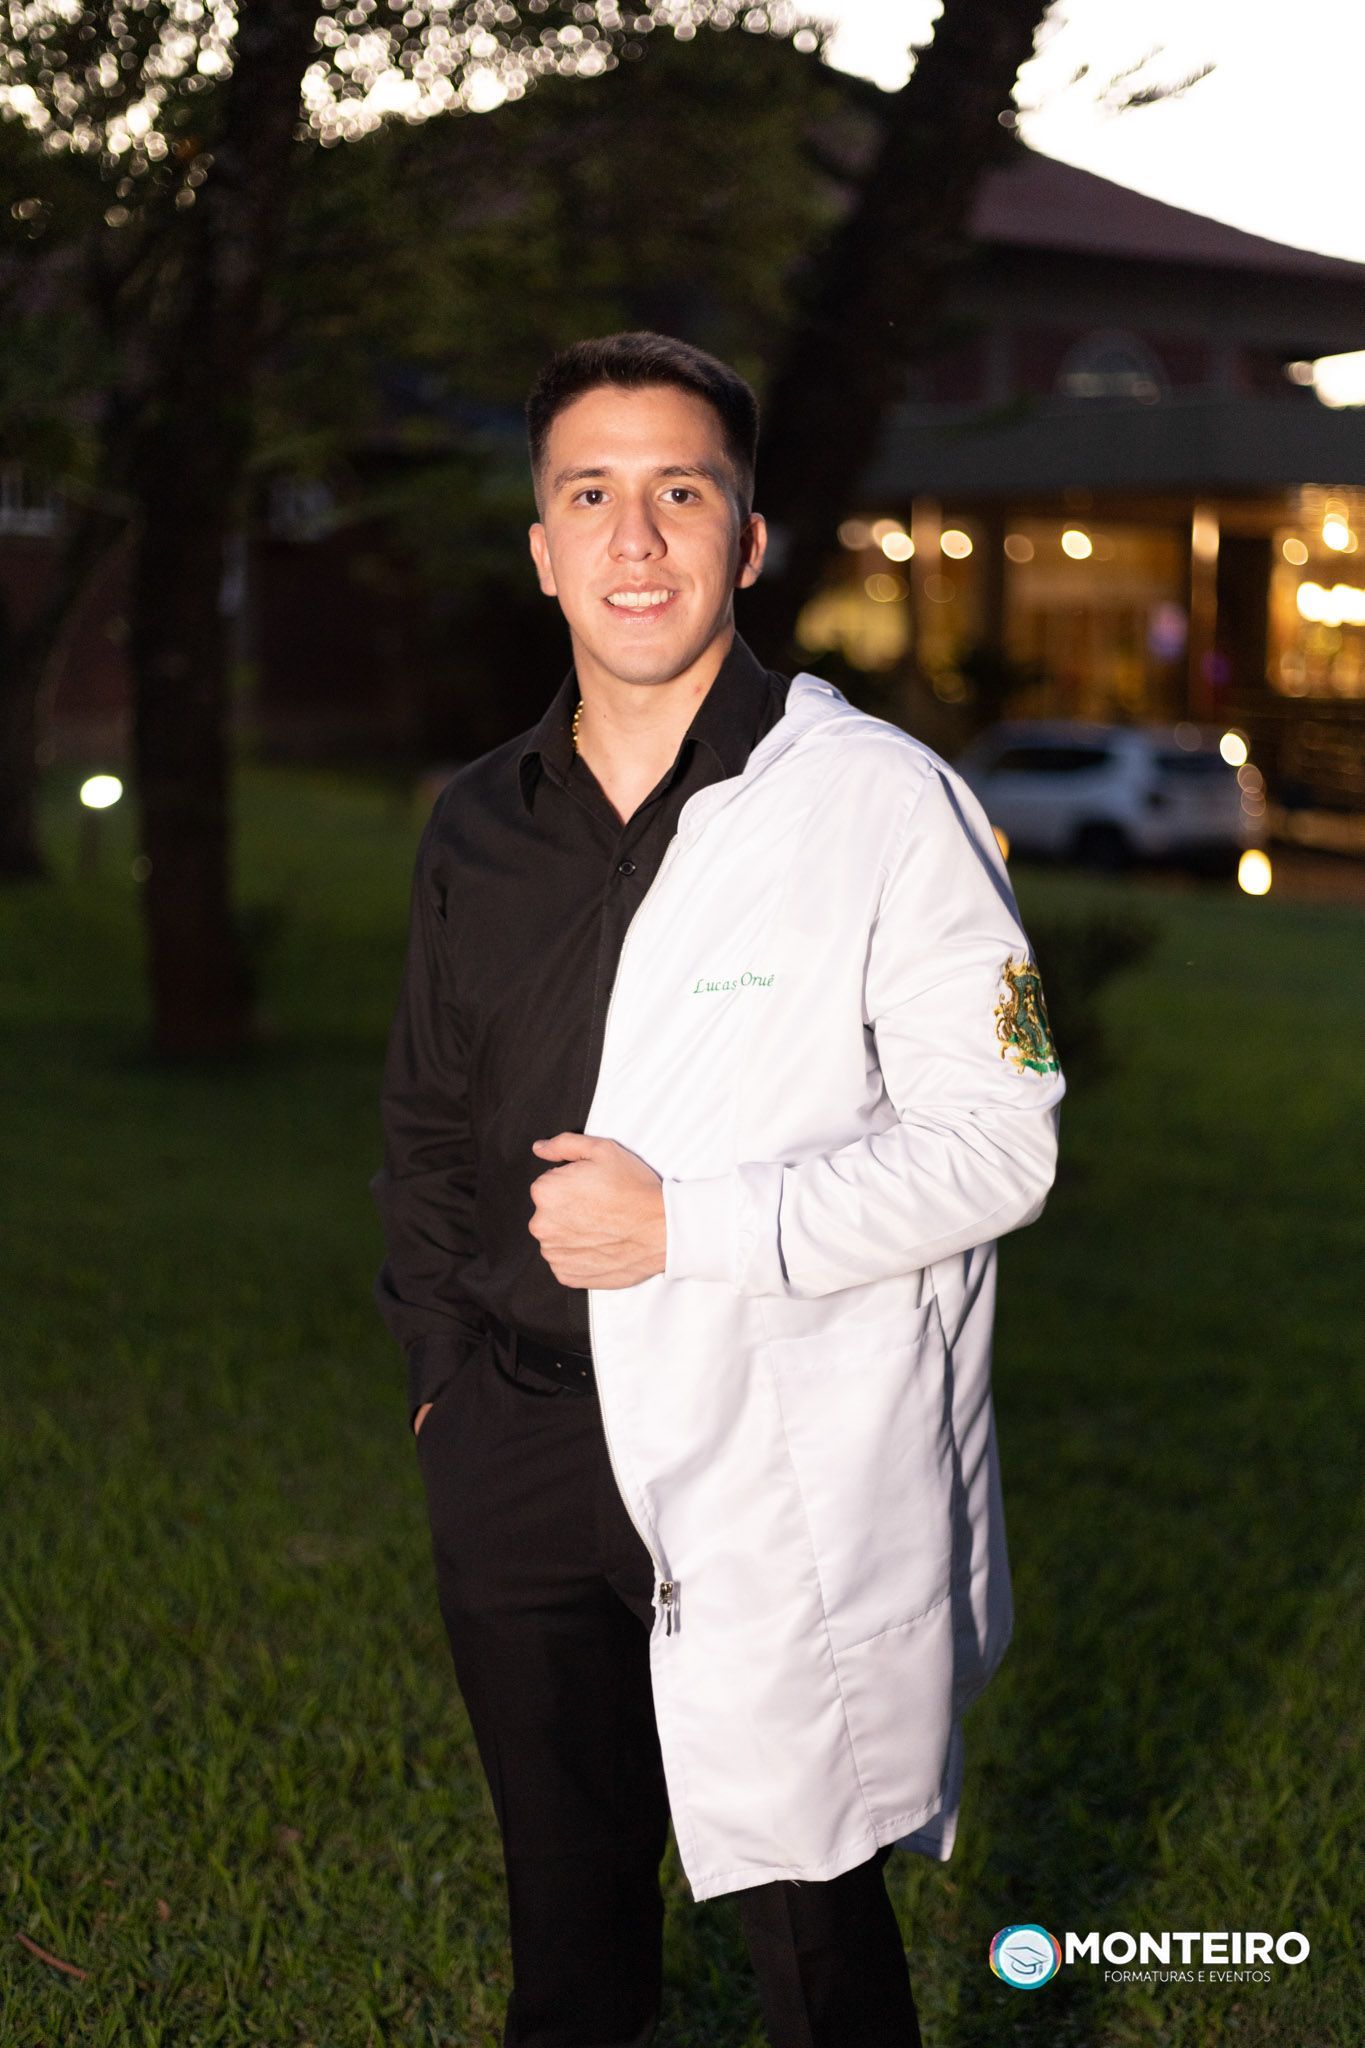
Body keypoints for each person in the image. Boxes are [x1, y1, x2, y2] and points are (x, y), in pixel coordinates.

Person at [370, 330, 1065, 2048]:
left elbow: (1001, 1142)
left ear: (746, 541)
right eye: (588, 496)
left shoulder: (878, 804)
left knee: (814, 1946)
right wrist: (443, 1380)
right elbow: (429, 1126)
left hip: (771, 1444)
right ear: (540, 548)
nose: (634, 538)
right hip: (518, 1437)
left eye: (679, 493)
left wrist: (688, 1227)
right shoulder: (477, 823)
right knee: (567, 1940)